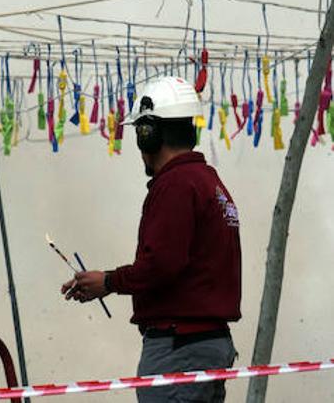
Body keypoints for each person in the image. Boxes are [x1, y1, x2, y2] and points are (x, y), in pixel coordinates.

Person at [61, 77, 242, 402]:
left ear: (149, 133)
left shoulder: (176, 184)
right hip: (204, 346)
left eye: (140, 132)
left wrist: (109, 281)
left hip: (179, 349)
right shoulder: (208, 182)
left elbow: (162, 264)